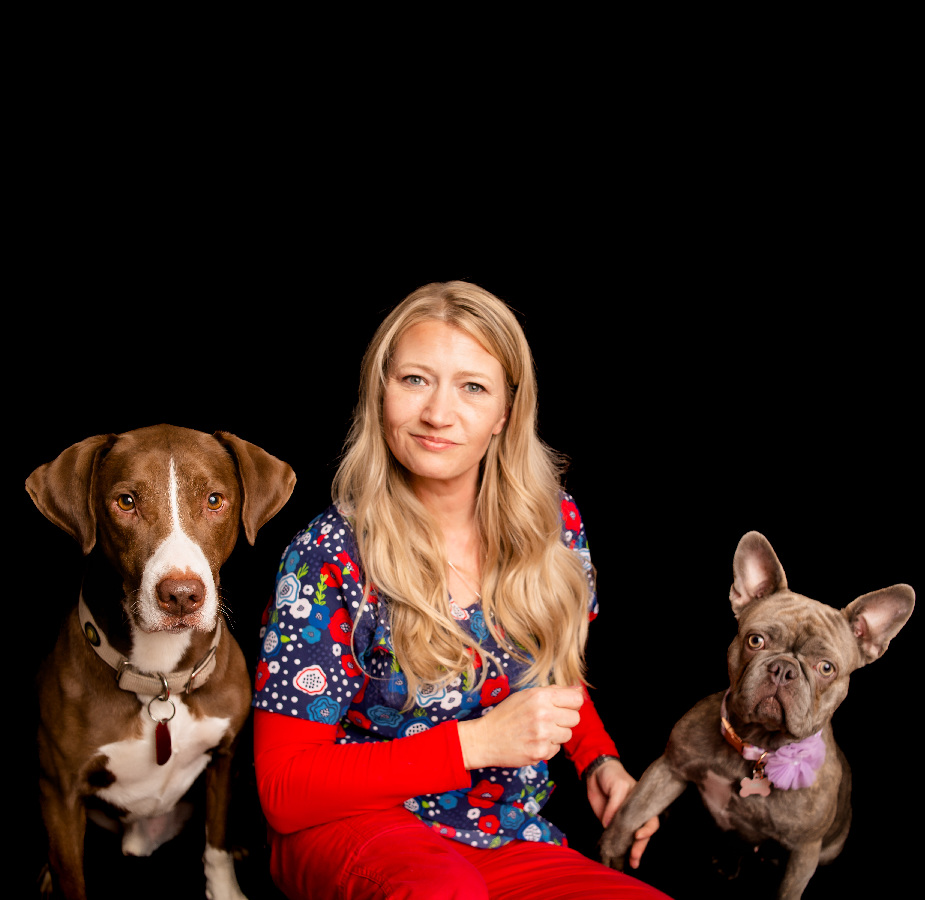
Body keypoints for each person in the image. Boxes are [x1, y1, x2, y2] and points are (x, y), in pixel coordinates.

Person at [252, 281, 667, 899]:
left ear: (506, 412)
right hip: (352, 830)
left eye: (472, 387)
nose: (438, 414)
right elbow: (284, 791)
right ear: (380, 392)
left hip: (500, 836)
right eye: (415, 380)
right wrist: (476, 742)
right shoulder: (328, 556)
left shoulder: (552, 522)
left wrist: (596, 758)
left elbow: (554, 676)